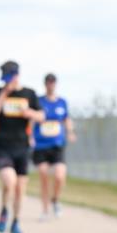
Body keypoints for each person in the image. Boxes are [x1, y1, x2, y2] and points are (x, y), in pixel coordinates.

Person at [0, 61, 43, 233]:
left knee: (20, 188)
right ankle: (4, 210)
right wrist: (4, 93)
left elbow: (41, 116)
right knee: (9, 181)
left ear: (16, 75)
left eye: (8, 78)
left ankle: (15, 221)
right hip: (3, 145)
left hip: (22, 146)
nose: (6, 82)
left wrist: (30, 113)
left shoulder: (29, 93)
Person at [32, 73, 76, 220]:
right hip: (40, 145)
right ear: (45, 84)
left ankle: (55, 200)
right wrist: (29, 136)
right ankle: (45, 211)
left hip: (57, 144)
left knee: (59, 176)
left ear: (55, 84)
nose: (51, 85)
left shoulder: (62, 102)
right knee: (44, 176)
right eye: (48, 82)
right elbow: (31, 120)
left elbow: (66, 119)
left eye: (53, 82)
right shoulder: (38, 101)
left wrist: (70, 132)